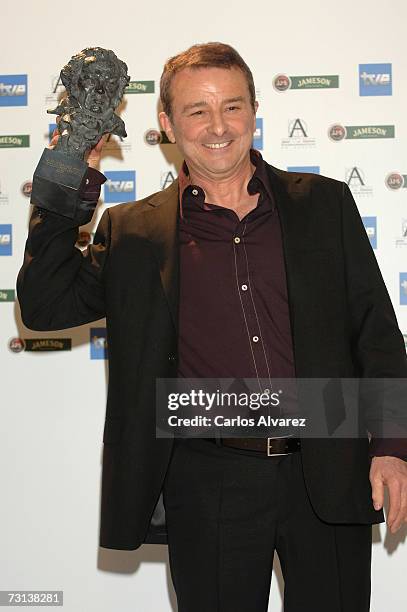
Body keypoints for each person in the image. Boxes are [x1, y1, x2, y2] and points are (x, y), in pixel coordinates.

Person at [17, 42, 407, 612]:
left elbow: (377, 333)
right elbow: (45, 305)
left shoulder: (325, 204)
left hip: (328, 471)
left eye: (232, 106)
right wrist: (68, 169)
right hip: (207, 481)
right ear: (167, 123)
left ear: (253, 110)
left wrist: (393, 446)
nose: (217, 126)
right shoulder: (133, 232)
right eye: (197, 111)